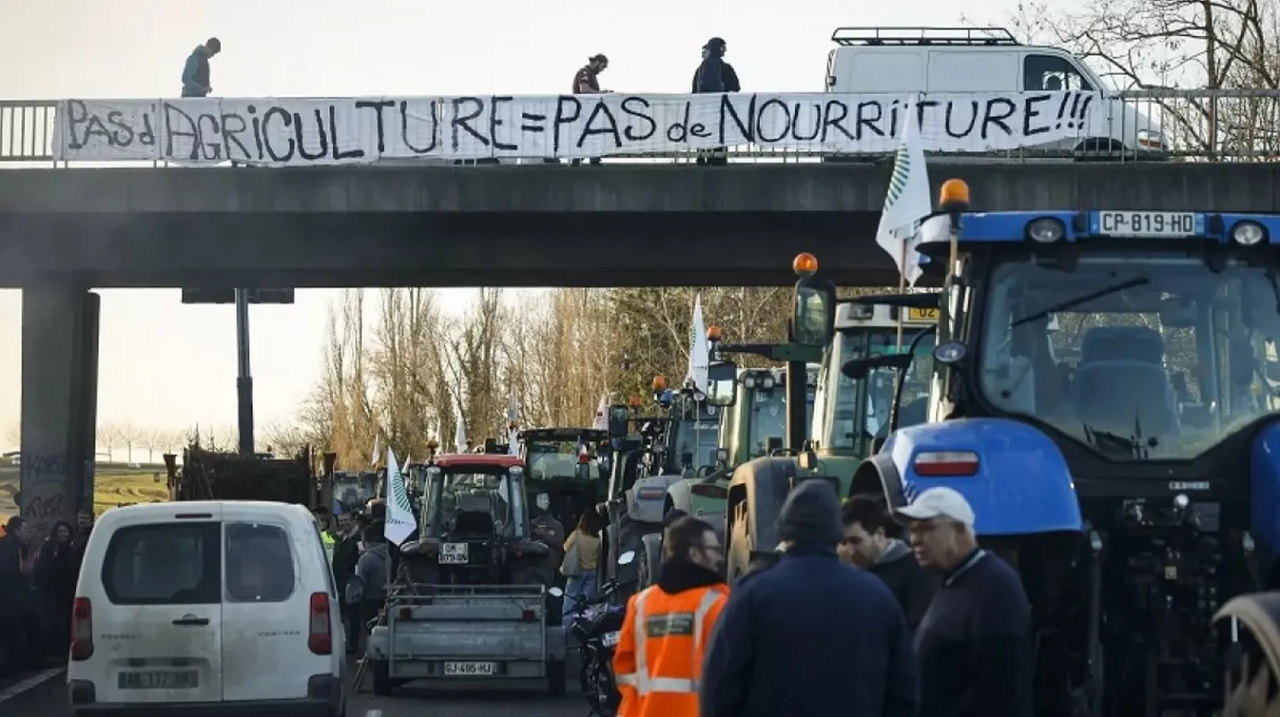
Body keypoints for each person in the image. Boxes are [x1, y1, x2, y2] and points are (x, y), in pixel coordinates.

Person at [700, 481, 917, 717]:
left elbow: (719, 687)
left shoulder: (753, 594)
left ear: (785, 530)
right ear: (835, 532)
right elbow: (904, 692)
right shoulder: (878, 596)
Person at [896, 487, 1033, 717]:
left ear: (960, 530)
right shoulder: (952, 580)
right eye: (913, 530)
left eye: (927, 528)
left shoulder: (995, 588)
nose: (914, 540)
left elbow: (997, 693)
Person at [614, 516, 727, 717]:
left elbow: (623, 669)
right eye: (714, 550)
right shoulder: (716, 605)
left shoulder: (640, 604)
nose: (720, 557)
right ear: (694, 553)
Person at [840, 496, 938, 629]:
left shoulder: (916, 570)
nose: (850, 551)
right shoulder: (849, 573)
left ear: (879, 534)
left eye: (856, 541)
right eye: (844, 542)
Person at [692, 38, 740, 167]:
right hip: (720, 112)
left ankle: (701, 158)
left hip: (703, 113)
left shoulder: (700, 70)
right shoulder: (725, 68)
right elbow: (736, 87)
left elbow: (694, 92)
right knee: (719, 139)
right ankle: (717, 160)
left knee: (703, 135)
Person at [34, 521, 76, 654]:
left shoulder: (71, 548)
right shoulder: (50, 547)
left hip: (66, 590)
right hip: (51, 590)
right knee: (52, 619)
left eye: (64, 532)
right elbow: (42, 566)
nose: (62, 534)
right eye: (60, 531)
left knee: (63, 620)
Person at [561, 511, 602, 629]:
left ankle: (567, 628)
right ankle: (585, 627)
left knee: (571, 599)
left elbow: (565, 547)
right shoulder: (597, 539)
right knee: (587, 602)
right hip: (593, 572)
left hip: (577, 571)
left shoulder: (576, 535)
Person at [570, 54, 609, 166]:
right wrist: (601, 94)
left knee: (589, 134)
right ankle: (582, 158)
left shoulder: (590, 74)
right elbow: (584, 89)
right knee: (588, 133)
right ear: (597, 62)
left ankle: (587, 158)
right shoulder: (585, 73)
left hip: (587, 111)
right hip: (583, 110)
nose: (602, 70)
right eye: (603, 66)